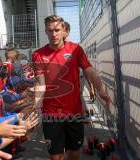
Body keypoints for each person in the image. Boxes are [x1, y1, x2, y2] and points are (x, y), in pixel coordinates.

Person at [32, 15, 111, 160]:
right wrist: (37, 106)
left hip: (74, 112)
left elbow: (90, 71)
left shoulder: (76, 50)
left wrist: (100, 90)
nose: (54, 34)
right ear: (45, 31)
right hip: (51, 114)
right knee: (56, 156)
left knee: (74, 153)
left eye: (57, 30)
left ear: (64, 31)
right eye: (50, 30)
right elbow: (40, 83)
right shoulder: (38, 54)